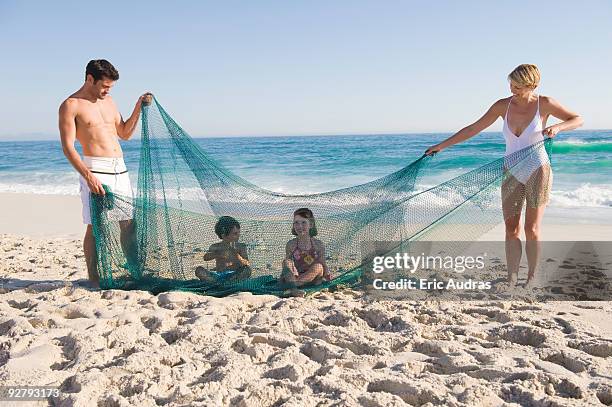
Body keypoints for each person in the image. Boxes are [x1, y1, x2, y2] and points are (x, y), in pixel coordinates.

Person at [425, 64, 583, 287]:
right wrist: (441, 146)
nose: (512, 89)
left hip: (538, 169)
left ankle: (532, 277)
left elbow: (577, 119)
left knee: (532, 229)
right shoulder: (502, 106)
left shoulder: (544, 103)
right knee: (511, 228)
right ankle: (511, 277)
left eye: (518, 86)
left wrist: (558, 127)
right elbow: (474, 128)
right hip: (511, 170)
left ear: (532, 85)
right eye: (511, 83)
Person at [58, 59, 152, 288]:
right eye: (105, 86)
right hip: (95, 168)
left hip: (120, 167)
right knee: (94, 225)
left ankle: (134, 269)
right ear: (90, 79)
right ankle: (93, 276)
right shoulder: (71, 105)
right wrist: (88, 176)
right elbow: (68, 147)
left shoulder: (109, 101)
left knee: (129, 222)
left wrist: (139, 106)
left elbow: (124, 133)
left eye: (110, 87)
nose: (107, 90)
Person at [280, 208, 330, 287]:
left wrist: (328, 278)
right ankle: (294, 287)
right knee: (286, 262)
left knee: (318, 266)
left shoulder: (318, 245)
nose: (300, 226)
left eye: (303, 222)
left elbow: (324, 265)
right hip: (296, 277)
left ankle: (293, 286)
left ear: (311, 225)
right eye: (296, 223)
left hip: (313, 280)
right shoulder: (291, 244)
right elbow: (288, 268)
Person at [195, 216, 251, 283]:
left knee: (247, 270)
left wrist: (237, 257)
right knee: (199, 270)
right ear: (224, 235)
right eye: (235, 234)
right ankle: (214, 282)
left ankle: (228, 283)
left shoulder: (241, 247)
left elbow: (247, 263)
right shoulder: (216, 246)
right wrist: (218, 254)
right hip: (218, 276)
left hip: (234, 275)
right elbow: (205, 257)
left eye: (239, 233)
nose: (238, 235)